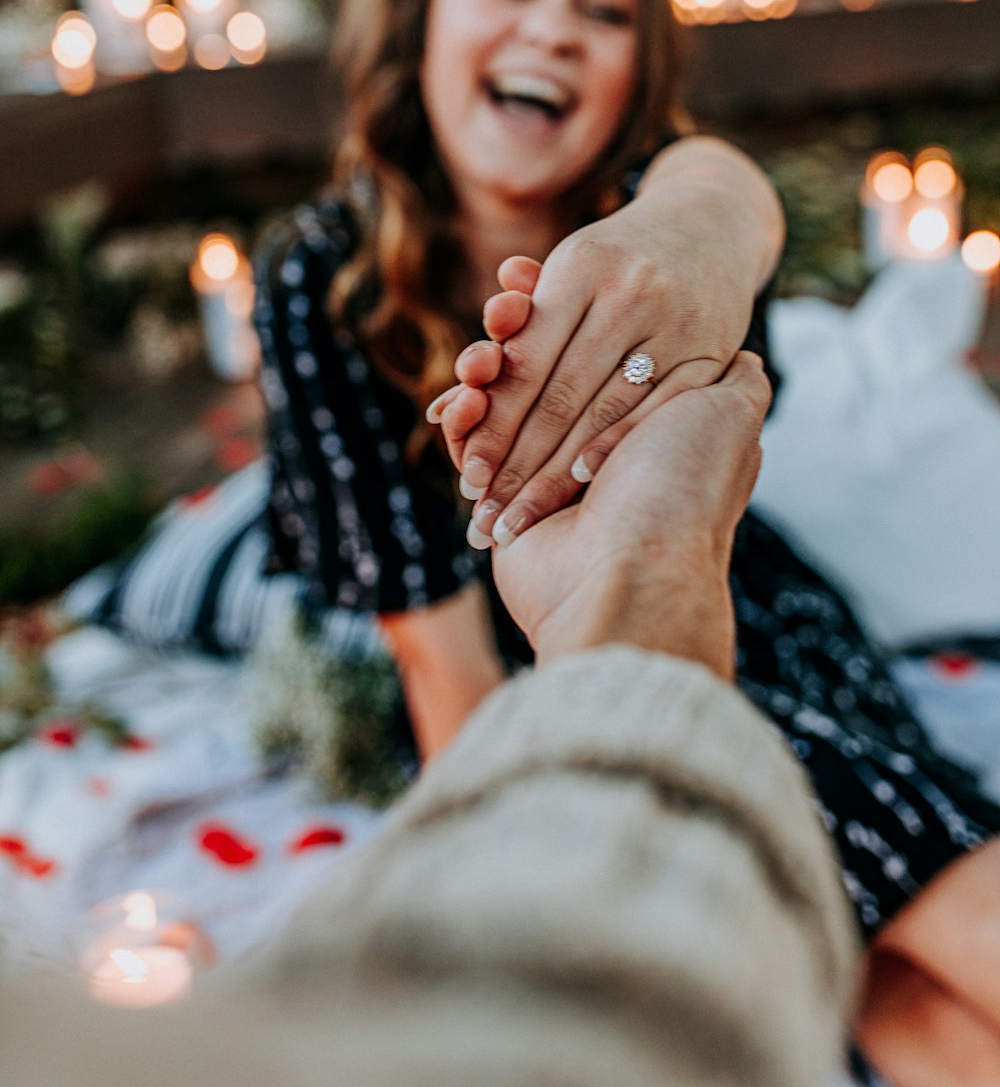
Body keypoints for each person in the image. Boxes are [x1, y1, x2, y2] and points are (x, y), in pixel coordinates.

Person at [252, 0, 1000, 1082]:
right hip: (484, 658)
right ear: (422, 20)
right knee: (872, 959)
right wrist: (533, 878)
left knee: (817, 782)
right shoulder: (316, 276)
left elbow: (722, 195)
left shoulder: (667, 240)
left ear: (635, 80)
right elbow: (444, 678)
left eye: (604, 10)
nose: (554, 26)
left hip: (729, 583)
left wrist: (696, 229)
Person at [3, 351, 862, 1087]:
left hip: (717, 629)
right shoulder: (334, 284)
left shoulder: (647, 217)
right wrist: (648, 574)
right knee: (892, 985)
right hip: (586, 656)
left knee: (886, 895)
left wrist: (705, 217)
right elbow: (585, 1037)